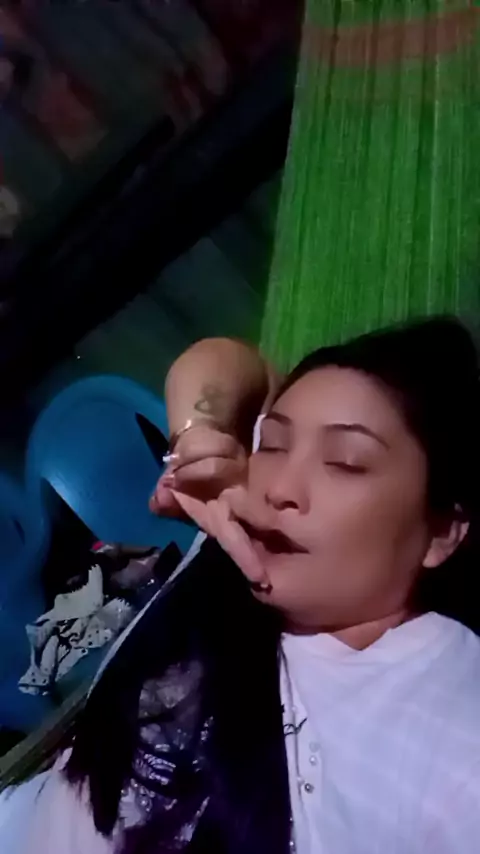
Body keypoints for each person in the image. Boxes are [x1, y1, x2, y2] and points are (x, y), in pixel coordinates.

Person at [21, 317, 480, 853]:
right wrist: (197, 436)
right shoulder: (233, 534)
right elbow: (226, 360)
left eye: (345, 462)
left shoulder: (446, 728)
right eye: (274, 444)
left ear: (442, 532)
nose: (279, 487)